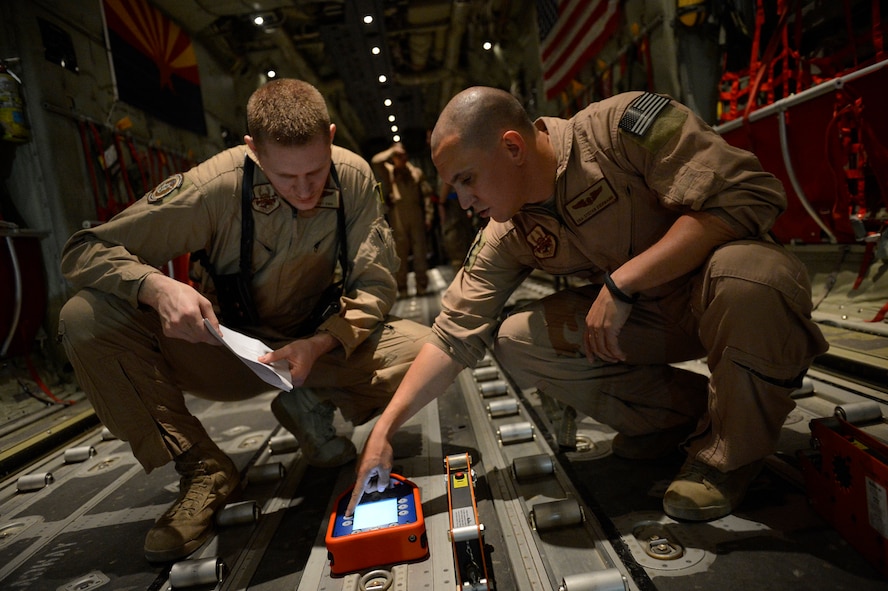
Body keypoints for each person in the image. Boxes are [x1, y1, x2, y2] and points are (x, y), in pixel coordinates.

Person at [348, 86, 829, 522]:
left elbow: (748, 195)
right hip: (658, 319)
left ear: (513, 147)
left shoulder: (620, 129)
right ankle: (682, 419)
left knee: (752, 277)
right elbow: (454, 331)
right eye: (456, 186)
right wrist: (384, 430)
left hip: (717, 294)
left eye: (468, 179)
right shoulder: (508, 228)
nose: (463, 200)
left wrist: (623, 283)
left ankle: (729, 455)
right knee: (518, 339)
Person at [58, 78, 430, 563]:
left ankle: (310, 404)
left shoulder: (355, 178)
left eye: (316, 172)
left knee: (429, 351)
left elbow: (375, 285)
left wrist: (319, 344)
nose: (305, 190)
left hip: (314, 350)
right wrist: (155, 286)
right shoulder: (218, 185)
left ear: (332, 137)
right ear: (253, 150)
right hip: (225, 353)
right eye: (286, 177)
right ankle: (202, 467)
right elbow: (85, 250)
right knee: (85, 317)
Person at [371, 142, 435, 297]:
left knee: (420, 251)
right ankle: (402, 287)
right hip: (398, 215)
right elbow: (376, 161)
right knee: (400, 253)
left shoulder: (416, 173)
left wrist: (429, 215)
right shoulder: (390, 172)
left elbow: (426, 196)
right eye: (397, 156)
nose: (401, 158)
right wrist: (392, 150)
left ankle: (422, 285)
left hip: (416, 213)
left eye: (402, 154)